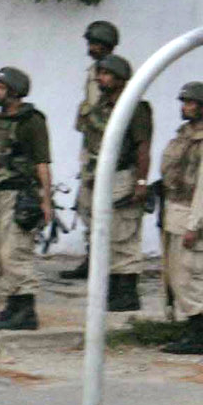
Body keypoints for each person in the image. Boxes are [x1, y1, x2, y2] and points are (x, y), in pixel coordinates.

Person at [0, 67, 55, 331]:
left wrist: (46, 200)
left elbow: (42, 163)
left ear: (13, 91)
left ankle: (26, 311)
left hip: (19, 194)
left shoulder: (32, 121)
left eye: (1, 88)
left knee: (15, 252)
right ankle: (12, 306)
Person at [78, 53, 152, 312]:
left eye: (107, 74)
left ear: (121, 79)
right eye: (100, 73)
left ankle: (126, 293)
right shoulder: (100, 107)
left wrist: (141, 182)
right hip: (98, 176)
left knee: (124, 235)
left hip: (122, 175)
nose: (101, 78)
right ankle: (110, 289)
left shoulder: (135, 107)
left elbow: (143, 147)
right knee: (103, 234)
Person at [61, 19, 122, 281]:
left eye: (95, 43)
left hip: (106, 148)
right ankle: (92, 258)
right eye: (90, 43)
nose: (91, 47)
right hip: (91, 144)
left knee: (104, 208)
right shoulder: (93, 73)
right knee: (86, 206)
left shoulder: (116, 75)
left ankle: (108, 263)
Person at [160, 83, 203, 353]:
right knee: (176, 276)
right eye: (183, 102)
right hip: (175, 212)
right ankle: (191, 330)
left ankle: (198, 335)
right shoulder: (184, 136)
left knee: (190, 278)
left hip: (191, 216)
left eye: (190, 103)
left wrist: (194, 225)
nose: (184, 107)